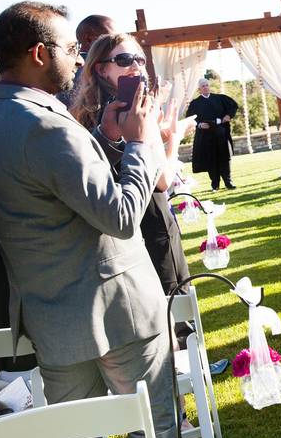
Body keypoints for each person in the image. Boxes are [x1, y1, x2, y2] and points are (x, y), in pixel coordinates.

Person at [0, 1, 177, 438]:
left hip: (52, 321)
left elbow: (44, 189)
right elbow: (118, 217)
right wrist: (137, 144)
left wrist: (106, 141)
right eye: (71, 48)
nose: (78, 59)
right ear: (39, 54)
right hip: (120, 313)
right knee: (156, 436)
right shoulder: (44, 123)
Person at [71, 33, 192, 297]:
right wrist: (175, 137)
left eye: (140, 58)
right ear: (101, 68)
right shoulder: (134, 113)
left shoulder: (80, 115)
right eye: (125, 59)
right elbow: (163, 180)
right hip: (147, 222)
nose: (136, 65)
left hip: (112, 237)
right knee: (174, 315)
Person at [186, 78, 239, 191]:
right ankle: (215, 184)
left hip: (221, 133)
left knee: (225, 158)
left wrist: (229, 115)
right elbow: (190, 118)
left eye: (207, 85)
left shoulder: (220, 98)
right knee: (211, 159)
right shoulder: (195, 103)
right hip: (206, 136)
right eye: (203, 86)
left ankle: (228, 182)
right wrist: (199, 125)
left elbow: (233, 105)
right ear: (199, 89)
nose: (205, 87)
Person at [58, 14, 116, 107]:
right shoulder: (104, 68)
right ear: (89, 39)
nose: (118, 43)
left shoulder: (64, 68)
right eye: (111, 38)